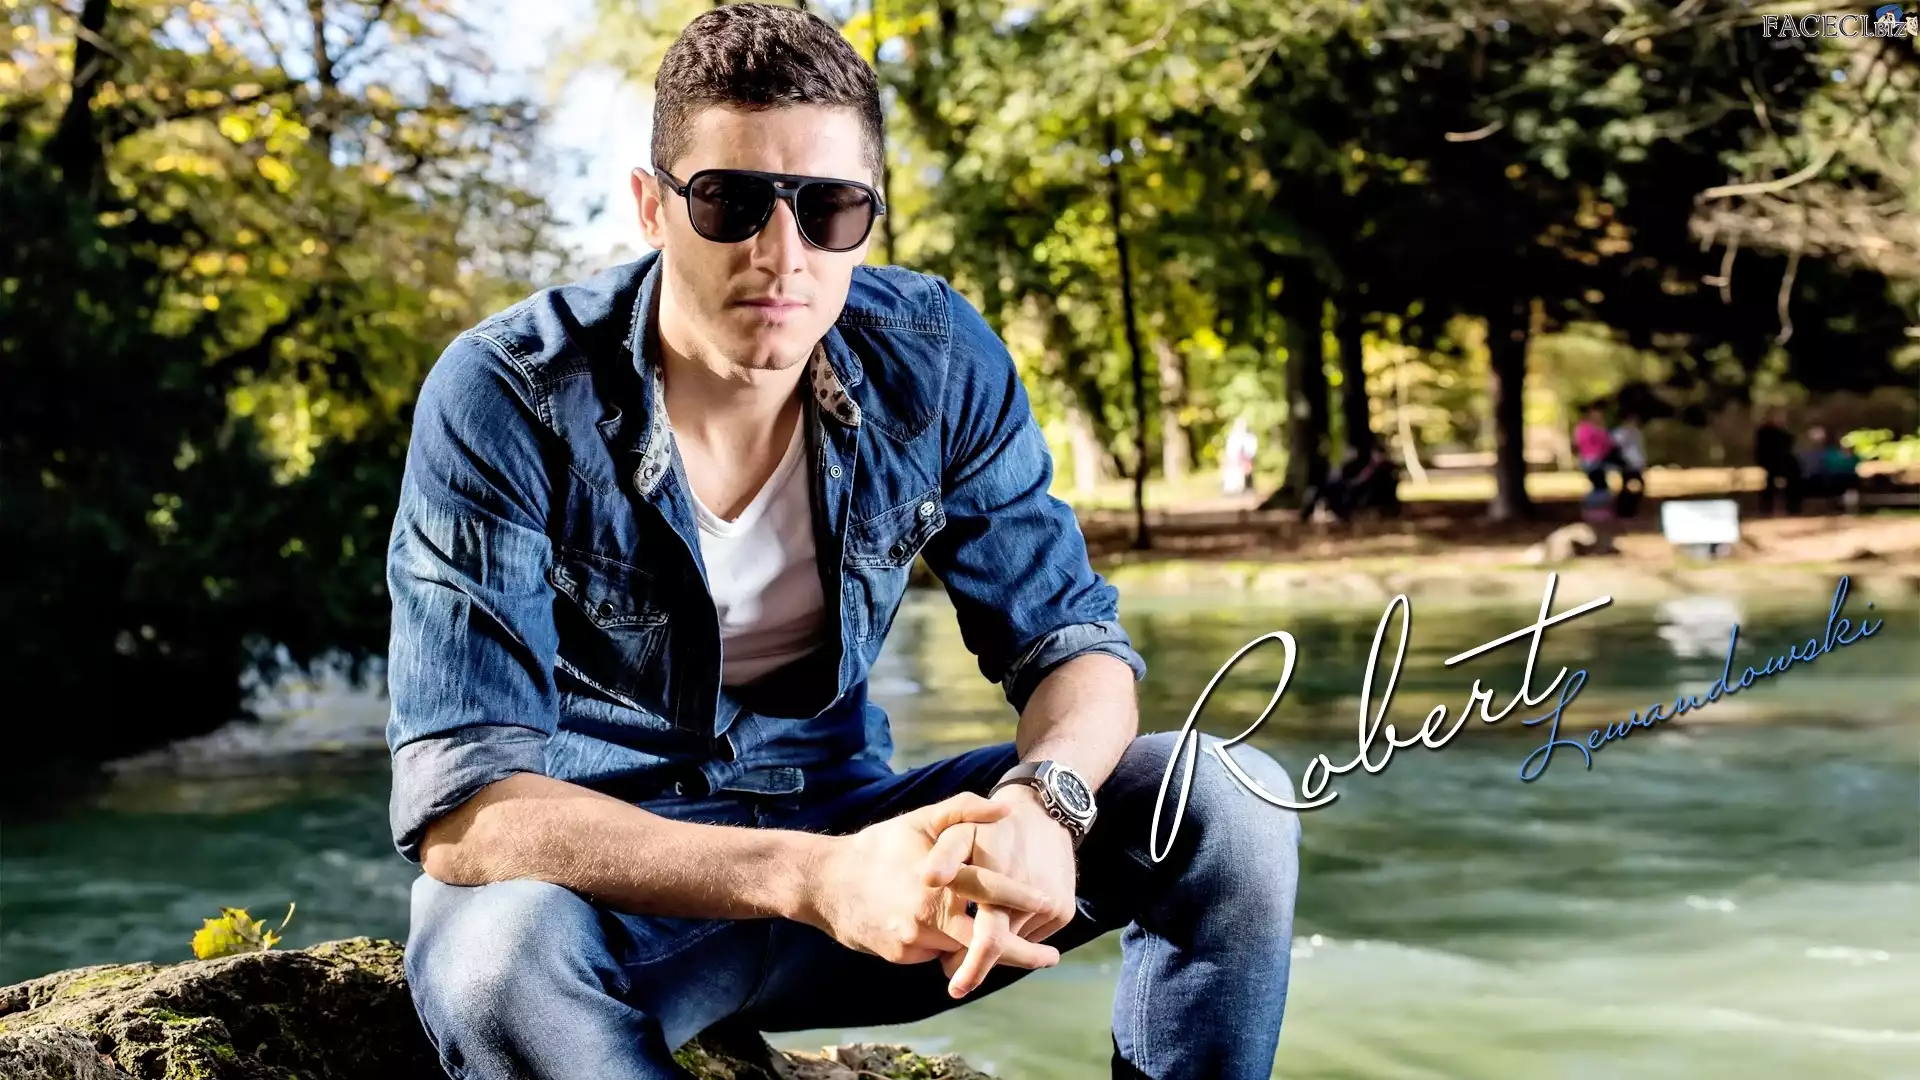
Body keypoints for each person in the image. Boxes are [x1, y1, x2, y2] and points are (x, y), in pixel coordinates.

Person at [385, 8, 1301, 1080]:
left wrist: (1043, 803)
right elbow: (463, 809)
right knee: (492, 957)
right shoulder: (509, 393)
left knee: (1229, 801)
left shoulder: (937, 358)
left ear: (869, 216)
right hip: (620, 891)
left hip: (872, 851)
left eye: (829, 209)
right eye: (730, 202)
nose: (783, 256)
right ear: (652, 206)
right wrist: (813, 876)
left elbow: (1074, 646)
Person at [1797, 425, 1862, 510]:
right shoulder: (1830, 454)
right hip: (1826, 480)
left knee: (1851, 481)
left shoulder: (1854, 456)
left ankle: (1850, 507)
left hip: (1843, 480)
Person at [1574, 402, 1616, 520]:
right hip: (1590, 460)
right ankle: (1593, 510)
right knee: (1598, 484)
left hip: (1601, 460)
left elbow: (1608, 444)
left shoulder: (1601, 428)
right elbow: (1581, 443)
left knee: (1601, 485)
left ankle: (1599, 510)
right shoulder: (1584, 428)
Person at [1754, 408, 1801, 515]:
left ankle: (1791, 507)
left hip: (1779, 463)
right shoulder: (1766, 433)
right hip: (1771, 463)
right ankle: (1771, 508)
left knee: (1793, 478)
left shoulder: (1780, 433)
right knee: (1771, 484)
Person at [1609, 412, 1647, 519]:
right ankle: (1624, 508)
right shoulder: (1619, 433)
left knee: (1637, 485)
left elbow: (1639, 449)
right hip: (1625, 463)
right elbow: (1616, 447)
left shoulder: (1637, 433)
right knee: (1627, 486)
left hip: (1636, 463)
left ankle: (1631, 507)